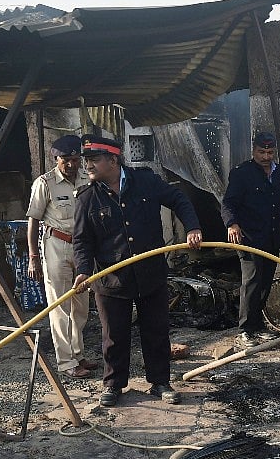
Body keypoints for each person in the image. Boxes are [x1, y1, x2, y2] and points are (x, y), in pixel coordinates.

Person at [72, 134, 203, 407]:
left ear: (113, 159)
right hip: (110, 278)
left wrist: (192, 226)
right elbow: (82, 240)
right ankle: (114, 384)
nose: (88, 166)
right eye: (87, 161)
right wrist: (83, 271)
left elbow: (178, 198)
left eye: (94, 160)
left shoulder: (145, 182)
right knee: (114, 335)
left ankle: (160, 382)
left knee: (156, 330)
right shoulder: (87, 197)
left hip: (150, 273)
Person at [26, 135, 95, 378]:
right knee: (60, 307)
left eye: (75, 159)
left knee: (81, 306)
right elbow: (33, 220)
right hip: (56, 245)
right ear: (56, 159)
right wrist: (33, 256)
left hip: (83, 247)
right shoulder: (45, 183)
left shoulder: (88, 179)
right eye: (66, 160)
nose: (71, 165)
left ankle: (78, 354)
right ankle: (66, 362)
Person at [221, 131, 280, 348]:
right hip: (249, 237)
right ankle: (245, 330)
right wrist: (232, 224)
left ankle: (258, 326)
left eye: (269, 152)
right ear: (254, 150)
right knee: (251, 282)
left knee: (265, 281)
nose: (266, 157)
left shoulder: (279, 174)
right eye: (262, 152)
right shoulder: (242, 174)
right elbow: (228, 203)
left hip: (271, 237)